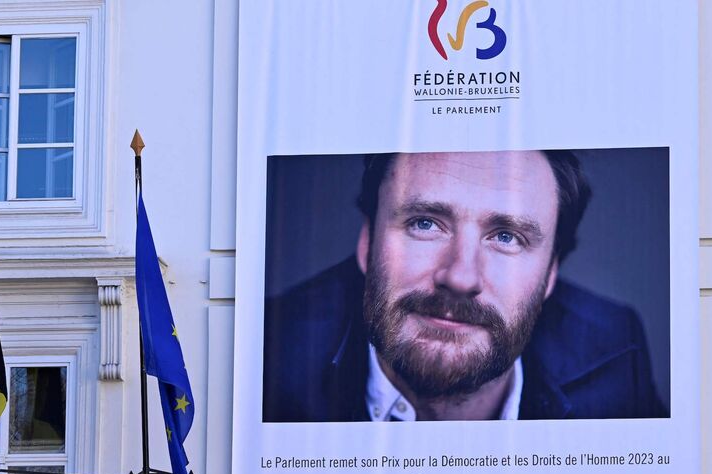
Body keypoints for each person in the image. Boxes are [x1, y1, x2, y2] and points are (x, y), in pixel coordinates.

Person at [262, 150, 667, 422]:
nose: (459, 277)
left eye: (507, 236)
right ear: (367, 242)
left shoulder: (615, 353)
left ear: (550, 274)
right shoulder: (269, 358)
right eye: (425, 224)